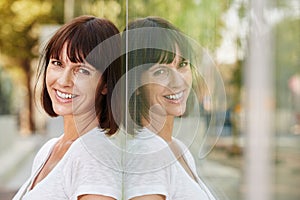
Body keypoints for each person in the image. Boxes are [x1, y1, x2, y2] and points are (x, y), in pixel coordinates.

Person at [13, 15, 123, 200]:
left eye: (82, 70)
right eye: (57, 63)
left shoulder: (95, 156)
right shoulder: (49, 150)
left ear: (106, 84)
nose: (63, 81)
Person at [122, 17, 216, 200]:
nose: (178, 81)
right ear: (135, 83)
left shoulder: (178, 149)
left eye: (182, 65)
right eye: (161, 71)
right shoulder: (148, 155)